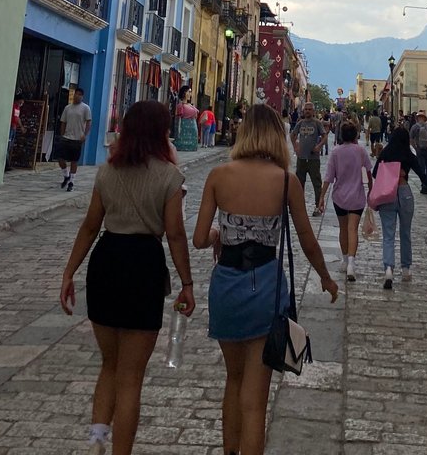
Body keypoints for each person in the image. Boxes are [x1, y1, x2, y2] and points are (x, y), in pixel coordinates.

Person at [194, 106, 338, 455]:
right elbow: (306, 239)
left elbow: (198, 239)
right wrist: (325, 278)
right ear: (277, 136)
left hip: (226, 285)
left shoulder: (218, 176)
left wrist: (218, 235)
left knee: (233, 381)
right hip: (265, 290)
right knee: (255, 402)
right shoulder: (285, 181)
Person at [59, 102, 194, 455]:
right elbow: (175, 234)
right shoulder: (169, 176)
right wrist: (188, 283)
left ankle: (97, 439)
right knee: (131, 376)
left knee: (109, 364)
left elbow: (90, 225)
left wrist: (69, 272)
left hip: (106, 261)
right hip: (144, 264)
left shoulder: (107, 172)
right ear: (162, 132)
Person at [373, 126, 427, 289]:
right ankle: (405, 269)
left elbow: (375, 173)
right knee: (405, 233)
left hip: (387, 194)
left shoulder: (385, 153)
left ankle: (389, 270)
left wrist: (390, 171)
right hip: (405, 193)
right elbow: (422, 174)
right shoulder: (408, 155)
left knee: (388, 235)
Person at [317, 121, 372, 281]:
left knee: (343, 228)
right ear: (356, 135)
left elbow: (328, 177)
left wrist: (322, 197)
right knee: (352, 229)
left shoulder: (335, 152)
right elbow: (368, 173)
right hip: (357, 197)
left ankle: (345, 259)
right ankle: (351, 265)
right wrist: (371, 191)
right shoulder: (361, 152)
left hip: (339, 197)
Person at [291, 102, 326, 216]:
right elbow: (293, 135)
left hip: (313, 158)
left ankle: (318, 206)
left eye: (310, 109)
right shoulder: (300, 123)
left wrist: (319, 146)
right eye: (306, 109)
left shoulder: (317, 123)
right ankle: (298, 206)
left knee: (316, 182)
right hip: (302, 158)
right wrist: (295, 147)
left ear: (313, 111)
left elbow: (324, 136)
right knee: (299, 183)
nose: (307, 111)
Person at [58, 86, 93, 191]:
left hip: (77, 138)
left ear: (82, 96)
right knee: (60, 158)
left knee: (74, 160)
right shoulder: (67, 108)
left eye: (79, 94)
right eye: (75, 94)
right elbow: (63, 122)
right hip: (67, 137)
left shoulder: (85, 108)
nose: (76, 96)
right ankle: (66, 175)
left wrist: (84, 134)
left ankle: (71, 182)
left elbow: (89, 122)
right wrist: (62, 134)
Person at [410, 111, 427, 192]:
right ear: (425, 118)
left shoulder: (415, 127)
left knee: (422, 168)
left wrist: (415, 147)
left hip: (420, 150)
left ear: (417, 118)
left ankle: (424, 186)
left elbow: (411, 139)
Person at [174, 85, 199, 153]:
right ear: (184, 93)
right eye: (189, 92)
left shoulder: (191, 105)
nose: (190, 94)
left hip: (193, 131)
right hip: (184, 130)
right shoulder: (180, 106)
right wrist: (178, 131)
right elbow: (178, 120)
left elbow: (196, 115)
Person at [6, 91, 25, 170]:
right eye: (20, 102)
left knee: (10, 146)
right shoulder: (13, 106)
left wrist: (21, 127)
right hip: (10, 127)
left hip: (14, 127)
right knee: (7, 145)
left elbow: (17, 118)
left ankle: (8, 163)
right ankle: (6, 164)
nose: (21, 104)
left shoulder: (18, 108)